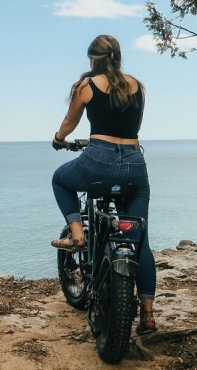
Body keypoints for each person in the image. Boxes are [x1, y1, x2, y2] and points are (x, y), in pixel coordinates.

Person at [50, 34, 157, 335]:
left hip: (99, 160)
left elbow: (70, 122)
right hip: (135, 164)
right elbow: (132, 123)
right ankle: (148, 316)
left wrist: (59, 140)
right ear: (119, 56)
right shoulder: (137, 85)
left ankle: (76, 235)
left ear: (93, 58)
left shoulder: (88, 86)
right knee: (140, 240)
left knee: (60, 180)